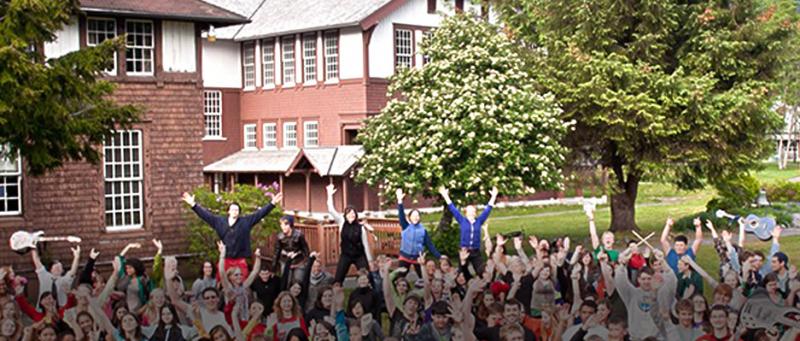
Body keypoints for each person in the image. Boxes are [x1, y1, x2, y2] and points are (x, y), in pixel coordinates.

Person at [182, 190, 282, 279]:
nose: (235, 211)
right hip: (225, 259)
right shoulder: (219, 221)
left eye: (237, 210)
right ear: (228, 211)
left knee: (241, 285)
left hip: (240, 260)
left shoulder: (245, 222)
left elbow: (260, 214)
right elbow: (205, 215)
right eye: (233, 209)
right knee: (223, 284)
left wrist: (272, 203)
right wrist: (193, 204)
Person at [438, 186, 498, 275]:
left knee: (481, 271)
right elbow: (452, 208)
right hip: (464, 251)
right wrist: (445, 195)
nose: (471, 213)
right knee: (462, 272)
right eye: (468, 211)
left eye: (473, 211)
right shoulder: (462, 220)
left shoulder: (479, 221)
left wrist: (494, 196)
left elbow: (488, 209)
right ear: (465, 213)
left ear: (475, 212)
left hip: (475, 251)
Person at [326, 184, 374, 285]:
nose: (351, 215)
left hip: (359, 256)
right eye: (349, 213)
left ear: (356, 215)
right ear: (345, 215)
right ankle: (334, 296)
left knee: (368, 278)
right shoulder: (341, 222)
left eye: (353, 213)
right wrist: (329, 194)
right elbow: (331, 210)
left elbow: (365, 245)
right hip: (346, 255)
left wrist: (370, 260)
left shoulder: (361, 228)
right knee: (338, 279)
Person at [395, 188, 442, 276]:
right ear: (409, 218)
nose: (415, 217)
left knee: (423, 277)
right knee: (399, 276)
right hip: (404, 257)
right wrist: (400, 201)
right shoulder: (405, 226)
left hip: (418, 258)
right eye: (413, 216)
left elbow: (430, 245)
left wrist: (439, 256)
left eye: (417, 216)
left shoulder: (423, 230)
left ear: (420, 218)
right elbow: (401, 215)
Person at [272, 215, 310, 284]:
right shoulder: (280, 237)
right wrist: (273, 269)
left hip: (299, 262)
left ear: (290, 225)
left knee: (298, 282)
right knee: (286, 282)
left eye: (285, 225)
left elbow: (305, 250)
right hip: (285, 261)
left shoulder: (299, 235)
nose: (283, 227)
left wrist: (297, 254)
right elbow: (276, 253)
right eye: (281, 225)